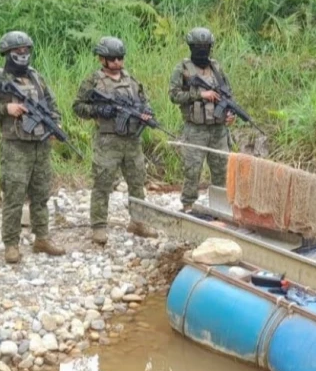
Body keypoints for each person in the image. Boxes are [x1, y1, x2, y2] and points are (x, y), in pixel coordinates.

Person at [0, 31, 65, 264]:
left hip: (40, 145)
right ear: (7, 53)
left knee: (41, 194)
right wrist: (6, 109)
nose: (23, 54)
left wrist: (55, 124)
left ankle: (42, 238)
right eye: (18, 51)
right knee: (14, 196)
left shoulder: (36, 77)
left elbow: (52, 105)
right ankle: (11, 245)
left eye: (26, 50)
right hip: (15, 146)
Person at [72, 36, 158, 245]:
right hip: (108, 140)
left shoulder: (131, 81)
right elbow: (78, 107)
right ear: (102, 59)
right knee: (102, 183)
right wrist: (98, 110)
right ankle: (99, 226)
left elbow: (144, 102)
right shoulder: (94, 81)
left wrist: (146, 112)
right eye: (113, 59)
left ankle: (138, 221)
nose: (117, 62)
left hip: (132, 141)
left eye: (120, 58)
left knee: (137, 182)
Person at [168, 27, 235, 213]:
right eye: (198, 47)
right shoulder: (182, 69)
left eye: (206, 47)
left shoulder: (216, 68)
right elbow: (174, 95)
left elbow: (228, 94)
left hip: (218, 129)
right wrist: (200, 94)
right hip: (195, 129)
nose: (203, 50)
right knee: (192, 169)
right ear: (191, 47)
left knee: (222, 169)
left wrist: (230, 114)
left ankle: (221, 208)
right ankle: (188, 205)